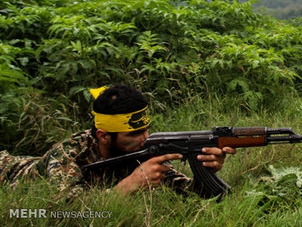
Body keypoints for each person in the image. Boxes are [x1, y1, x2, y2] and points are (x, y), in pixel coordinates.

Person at [0, 84, 236, 199]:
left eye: (146, 130)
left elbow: (186, 192)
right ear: (103, 135)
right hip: (7, 170)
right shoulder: (68, 156)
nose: (145, 139)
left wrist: (207, 171)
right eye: (134, 134)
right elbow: (70, 212)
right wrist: (130, 185)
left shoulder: (141, 149)